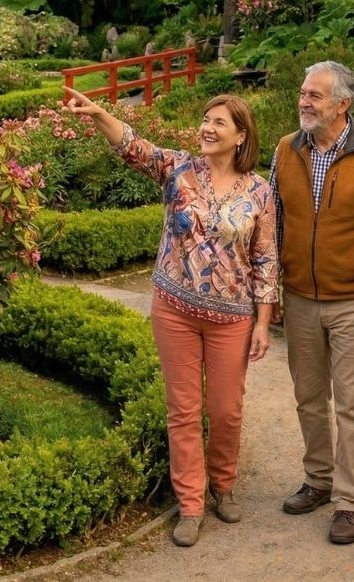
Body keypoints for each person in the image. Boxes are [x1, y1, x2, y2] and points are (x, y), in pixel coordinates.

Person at [63, 87, 279, 548]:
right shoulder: (178, 169)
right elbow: (132, 146)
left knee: (226, 410)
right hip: (175, 310)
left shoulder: (260, 191)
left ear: (241, 135)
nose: (207, 127)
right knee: (183, 411)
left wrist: (263, 321)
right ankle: (191, 504)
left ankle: (224, 485)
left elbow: (265, 259)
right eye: (205, 118)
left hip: (232, 317)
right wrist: (100, 113)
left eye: (219, 122)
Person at [270, 60, 354, 545]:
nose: (304, 101)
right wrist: (273, 289)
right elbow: (275, 225)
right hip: (300, 296)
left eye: (315, 96)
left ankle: (349, 501)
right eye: (303, 93)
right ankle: (318, 480)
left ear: (342, 104)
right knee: (308, 398)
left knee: (352, 405)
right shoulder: (286, 150)